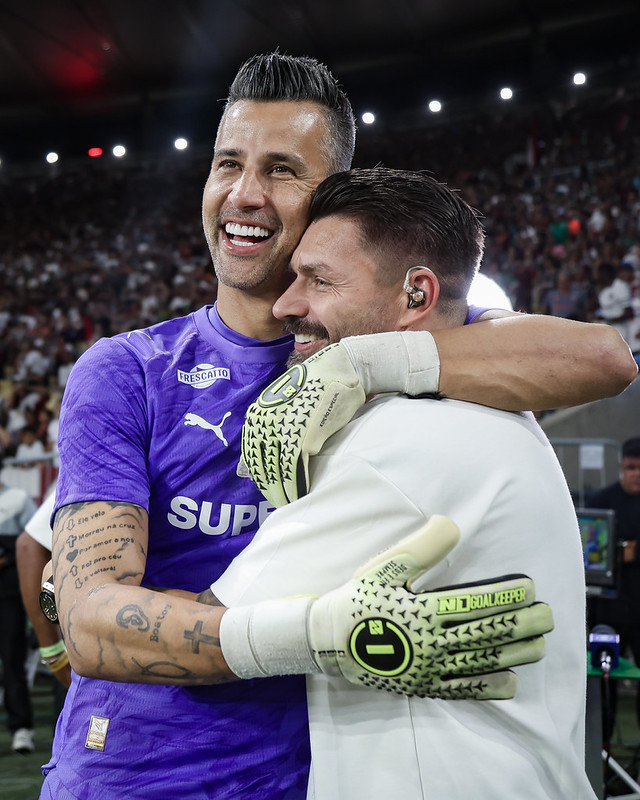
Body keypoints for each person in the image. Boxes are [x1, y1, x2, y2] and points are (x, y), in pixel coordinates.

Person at [43, 53, 633, 798]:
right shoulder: (129, 369)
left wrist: (363, 366)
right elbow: (88, 626)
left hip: (311, 774)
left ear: (332, 199)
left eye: (282, 169)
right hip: (138, 775)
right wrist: (321, 633)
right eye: (228, 163)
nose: (244, 194)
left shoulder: (394, 332)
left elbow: (603, 357)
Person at [219, 167, 597, 798]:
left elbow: (216, 632)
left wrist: (88, 613)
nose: (287, 304)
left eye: (318, 280)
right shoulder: (491, 410)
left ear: (417, 295)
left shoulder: (401, 442)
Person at [587, 437, 640, 742]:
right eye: (631, 467)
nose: (636, 474)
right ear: (621, 467)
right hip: (610, 614)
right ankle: (602, 759)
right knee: (602, 689)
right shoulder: (602, 502)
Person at [0, 472, 37, 754]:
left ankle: (21, 727)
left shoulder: (19, 499)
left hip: (9, 595)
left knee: (13, 660)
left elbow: (35, 546)